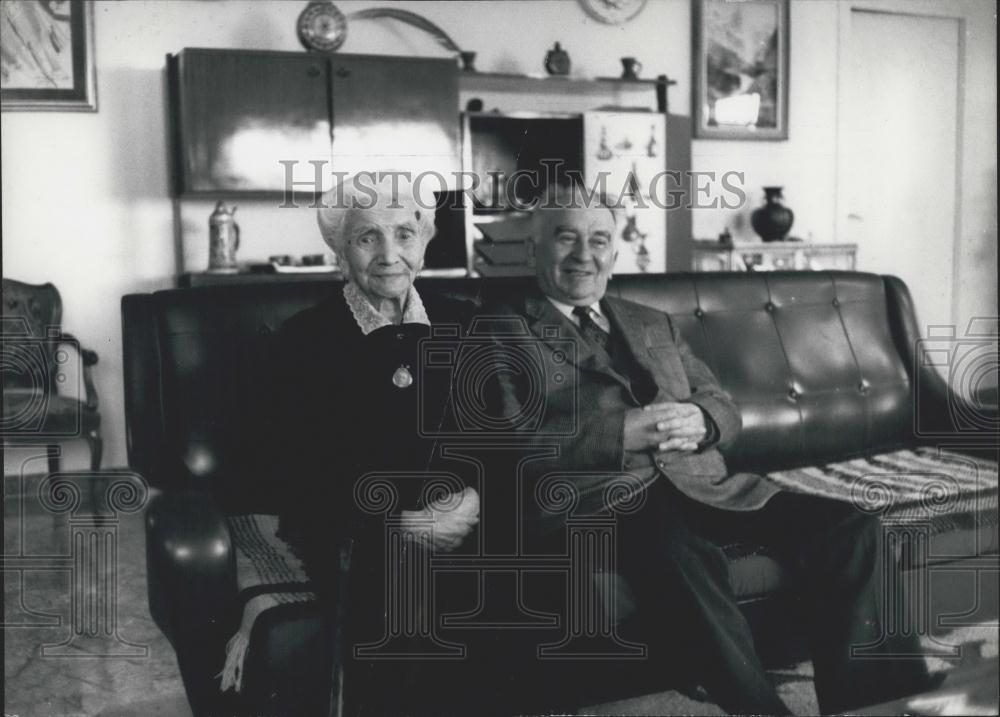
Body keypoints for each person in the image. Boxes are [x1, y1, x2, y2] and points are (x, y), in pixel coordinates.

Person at [486, 181, 933, 715]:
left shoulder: (650, 321)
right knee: (679, 554)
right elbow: (506, 442)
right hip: (605, 500)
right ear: (535, 248)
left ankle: (883, 707)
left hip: (706, 486)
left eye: (600, 240)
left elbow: (723, 404)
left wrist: (701, 420)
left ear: (614, 250)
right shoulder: (497, 330)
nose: (585, 255)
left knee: (851, 525)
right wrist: (627, 432)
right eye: (566, 239)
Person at [273, 174, 480, 717]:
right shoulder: (303, 340)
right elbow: (295, 468)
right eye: (368, 238)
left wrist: (475, 499)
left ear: (424, 243)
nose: (390, 254)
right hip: (357, 527)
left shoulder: (466, 322)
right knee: (403, 584)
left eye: (405, 234)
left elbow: (500, 436)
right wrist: (398, 522)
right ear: (341, 251)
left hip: (465, 516)